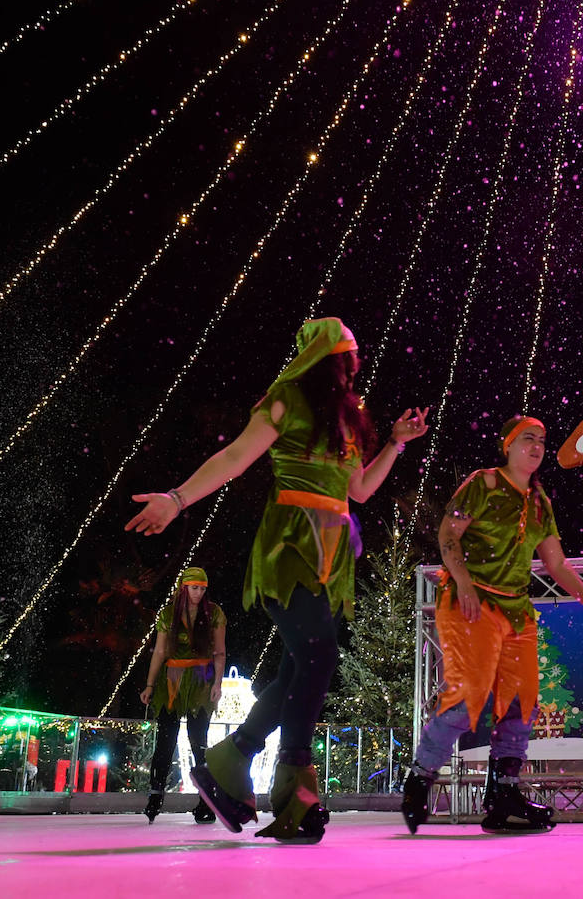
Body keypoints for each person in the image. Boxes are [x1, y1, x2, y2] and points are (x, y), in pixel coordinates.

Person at [125, 317, 428, 843]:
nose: (348, 367)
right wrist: (176, 500)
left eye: (351, 358)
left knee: (299, 669)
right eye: (341, 357)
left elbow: (358, 491)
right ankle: (291, 778)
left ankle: (230, 763)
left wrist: (396, 445)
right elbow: (236, 457)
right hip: (289, 545)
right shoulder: (285, 398)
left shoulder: (351, 417)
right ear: (319, 360)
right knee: (319, 654)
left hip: (332, 556)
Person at [401, 415, 583, 834]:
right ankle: (420, 778)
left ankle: (503, 793)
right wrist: (462, 580)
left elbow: (556, 563)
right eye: (527, 439)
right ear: (508, 445)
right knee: (470, 700)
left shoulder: (538, 503)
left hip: (516, 611)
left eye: (541, 440)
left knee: (520, 701)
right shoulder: (483, 484)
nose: (536, 446)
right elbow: (449, 533)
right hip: (472, 601)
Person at [139, 566, 225, 823]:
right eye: (194, 587)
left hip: (201, 679)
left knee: (199, 741)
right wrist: (150, 685)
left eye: (202, 588)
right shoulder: (168, 614)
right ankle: (155, 796)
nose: (198, 593)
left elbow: (219, 652)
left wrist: (218, 684)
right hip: (172, 680)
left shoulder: (215, 613)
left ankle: (206, 801)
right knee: (165, 740)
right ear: (183, 588)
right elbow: (160, 652)